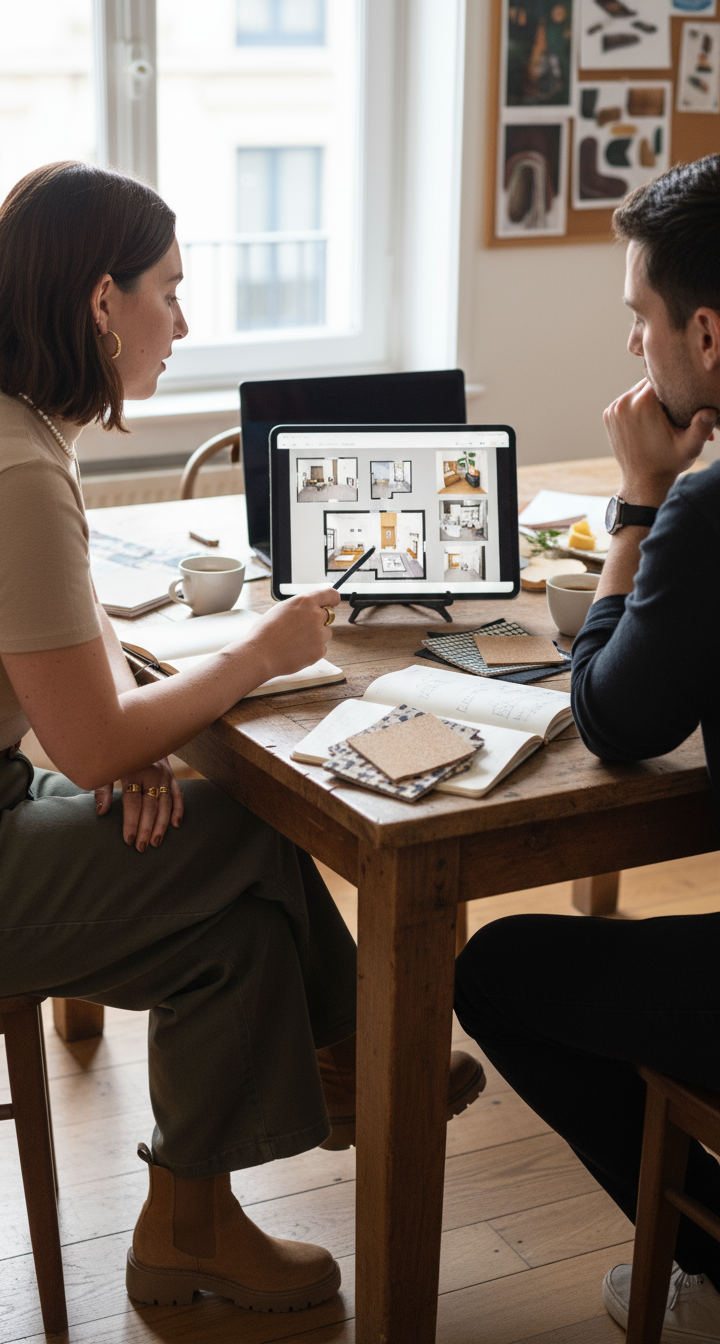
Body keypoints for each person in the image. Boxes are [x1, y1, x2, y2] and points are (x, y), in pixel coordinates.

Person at [0, 161, 486, 1317]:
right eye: (169, 291)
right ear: (103, 302)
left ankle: (191, 1232)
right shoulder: (10, 470)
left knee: (239, 934)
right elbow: (87, 744)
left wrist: (128, 732)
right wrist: (258, 656)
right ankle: (351, 1059)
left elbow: (70, 648)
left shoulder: (3, 427)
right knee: (245, 825)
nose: (183, 322)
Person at [455, 153, 720, 1341]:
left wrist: (639, 504)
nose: (632, 348)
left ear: (703, 335)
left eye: (637, 318)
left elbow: (613, 720)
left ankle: (709, 1262)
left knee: (496, 971)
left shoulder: (706, 516)